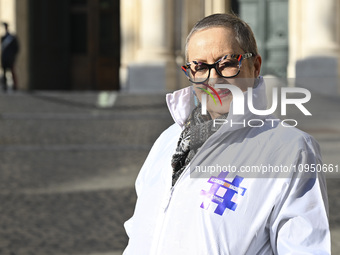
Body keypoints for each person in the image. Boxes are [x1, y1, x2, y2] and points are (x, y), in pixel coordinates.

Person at [123, 13, 330, 254]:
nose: (214, 78)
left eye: (227, 62)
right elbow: (139, 233)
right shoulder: (167, 140)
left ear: (255, 66)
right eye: (199, 67)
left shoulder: (292, 150)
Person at [1, 22, 19, 92]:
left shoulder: (12, 38)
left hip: (10, 58)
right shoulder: (3, 38)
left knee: (12, 71)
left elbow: (16, 48)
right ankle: (5, 86)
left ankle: (15, 85)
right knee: (5, 72)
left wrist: (13, 56)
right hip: (4, 58)